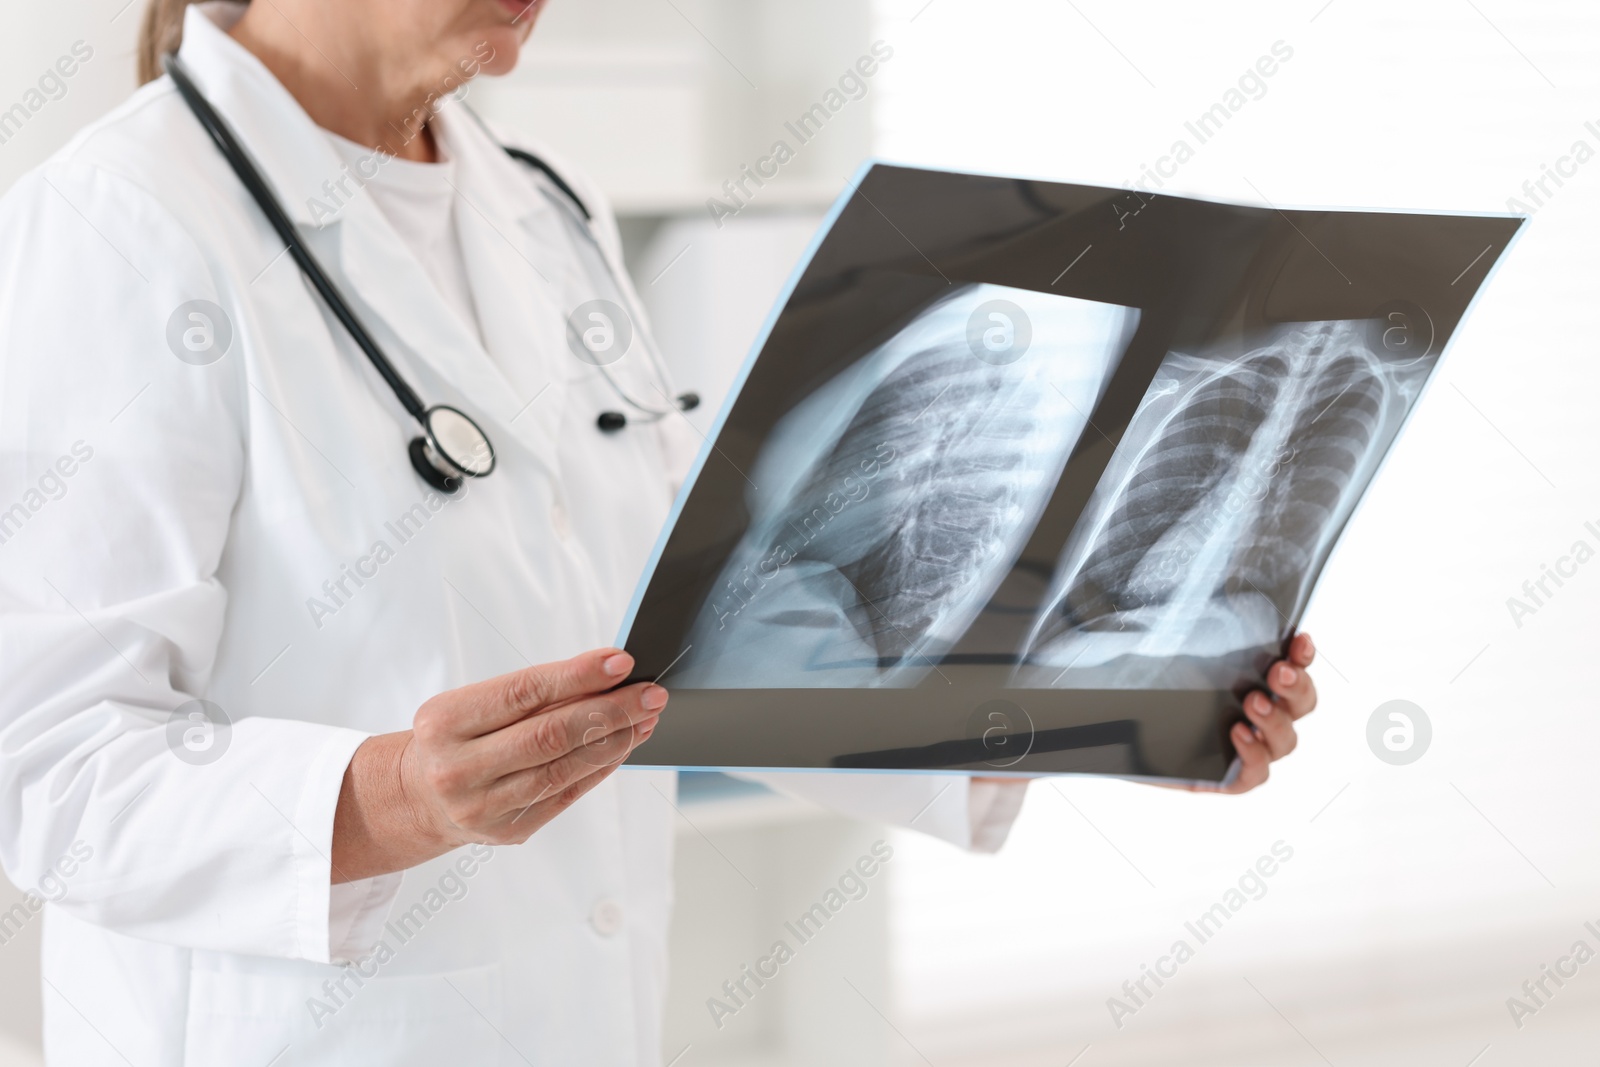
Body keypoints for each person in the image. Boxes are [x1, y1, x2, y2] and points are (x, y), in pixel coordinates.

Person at [0, 0, 1321, 1063]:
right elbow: (45, 768)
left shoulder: (541, 206)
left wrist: (1101, 710)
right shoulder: (121, 226)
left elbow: (697, 654)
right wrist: (393, 799)